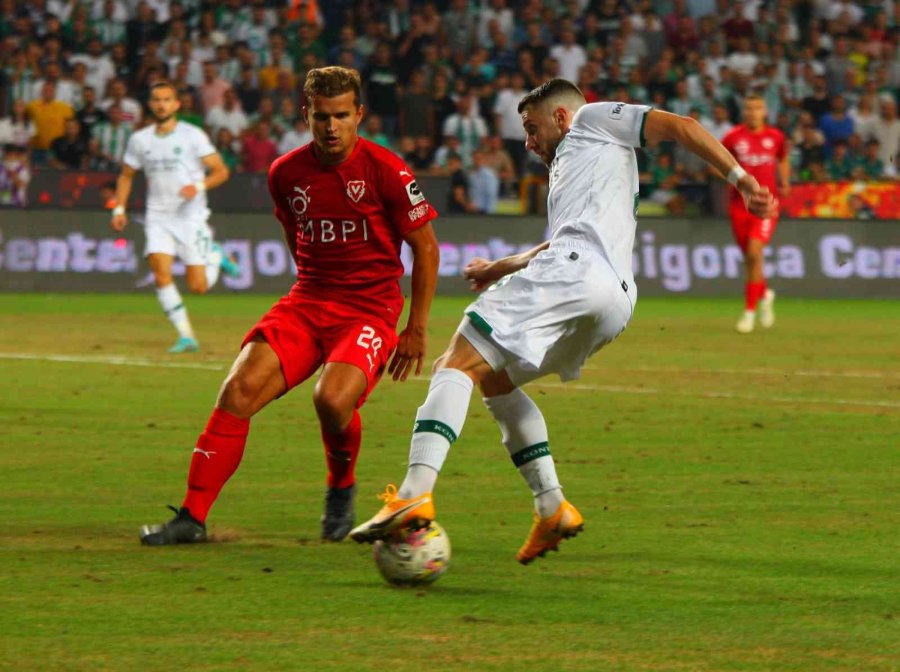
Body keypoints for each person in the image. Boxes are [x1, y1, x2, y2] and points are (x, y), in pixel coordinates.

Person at [349, 79, 775, 564]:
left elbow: (681, 126)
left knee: (457, 361)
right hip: (613, 300)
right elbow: (566, 241)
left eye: (531, 129)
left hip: (580, 275)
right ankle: (551, 507)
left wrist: (742, 180)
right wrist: (500, 267)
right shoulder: (580, 168)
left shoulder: (592, 122)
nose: (527, 142)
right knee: (494, 380)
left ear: (561, 118)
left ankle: (413, 492)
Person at [138, 66, 440, 546]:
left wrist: (416, 327)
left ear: (359, 114)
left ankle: (341, 487)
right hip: (308, 300)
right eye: (322, 116)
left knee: (331, 400)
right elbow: (295, 234)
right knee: (237, 391)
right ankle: (191, 518)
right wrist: (310, 286)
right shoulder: (285, 172)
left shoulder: (387, 169)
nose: (331, 126)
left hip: (369, 309)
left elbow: (425, 247)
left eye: (342, 115)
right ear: (307, 115)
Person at [111, 81, 239, 353]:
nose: (161, 104)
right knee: (160, 273)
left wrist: (199, 186)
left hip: (190, 217)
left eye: (167, 99)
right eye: (157, 99)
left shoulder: (192, 135)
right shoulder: (140, 140)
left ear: (176, 104)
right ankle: (186, 336)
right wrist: (119, 209)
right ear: (150, 104)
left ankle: (215, 255)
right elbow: (126, 175)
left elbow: (221, 171)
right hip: (157, 217)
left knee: (198, 287)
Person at [721, 94, 790, 334]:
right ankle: (765, 293)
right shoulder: (733, 137)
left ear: (765, 112)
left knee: (754, 252)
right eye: (749, 108)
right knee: (751, 259)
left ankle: (749, 312)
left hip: (767, 204)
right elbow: (719, 160)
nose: (753, 112)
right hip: (739, 206)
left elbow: (782, 158)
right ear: (744, 112)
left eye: (757, 108)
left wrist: (785, 181)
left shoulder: (776, 137)